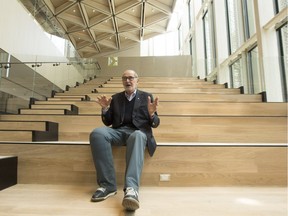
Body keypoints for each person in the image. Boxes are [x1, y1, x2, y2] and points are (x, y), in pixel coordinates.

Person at [89, 69, 160, 211]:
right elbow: (108, 123)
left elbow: (156, 123)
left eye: (131, 78)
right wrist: (105, 109)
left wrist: (152, 114)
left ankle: (132, 190)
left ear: (137, 80)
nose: (128, 81)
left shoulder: (146, 97)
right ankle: (107, 186)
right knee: (97, 133)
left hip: (137, 132)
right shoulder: (116, 98)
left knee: (139, 136)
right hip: (118, 132)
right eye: (124, 78)